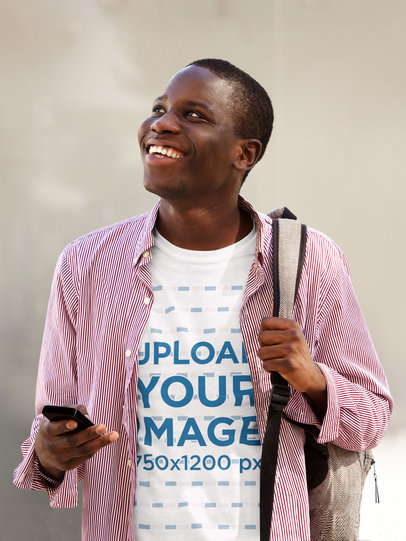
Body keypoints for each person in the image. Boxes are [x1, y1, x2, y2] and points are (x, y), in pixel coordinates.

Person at [14, 59, 392, 541]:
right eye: (159, 108)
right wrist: (50, 454)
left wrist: (313, 379)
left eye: (194, 115)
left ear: (244, 153)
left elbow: (372, 418)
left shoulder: (309, 261)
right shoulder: (86, 264)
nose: (161, 124)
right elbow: (47, 438)